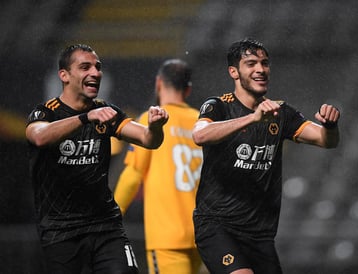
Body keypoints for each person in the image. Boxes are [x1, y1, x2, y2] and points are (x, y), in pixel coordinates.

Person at [192, 38, 340, 274]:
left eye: (264, 63)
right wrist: (252, 118)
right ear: (234, 72)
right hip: (217, 225)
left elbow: (326, 141)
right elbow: (199, 135)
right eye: (251, 63)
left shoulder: (281, 113)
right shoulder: (217, 106)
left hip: (260, 234)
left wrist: (331, 126)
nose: (260, 69)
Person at [26, 44, 169, 274]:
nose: (95, 73)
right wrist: (85, 118)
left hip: (106, 227)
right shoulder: (46, 112)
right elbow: (40, 137)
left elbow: (148, 139)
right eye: (85, 67)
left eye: (98, 67)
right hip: (61, 231)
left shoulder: (106, 111)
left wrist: (155, 127)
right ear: (64, 75)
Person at [114, 59, 203, 274]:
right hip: (203, 235)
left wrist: (111, 216)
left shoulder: (150, 121)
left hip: (167, 235)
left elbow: (133, 175)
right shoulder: (202, 122)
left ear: (158, 83)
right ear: (188, 89)